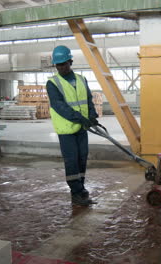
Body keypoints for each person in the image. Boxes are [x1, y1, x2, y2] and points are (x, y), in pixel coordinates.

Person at [46, 45, 99, 206]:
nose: (61, 67)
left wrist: (92, 115)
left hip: (82, 129)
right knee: (72, 161)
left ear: (70, 61)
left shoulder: (82, 79)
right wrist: (80, 118)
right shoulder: (52, 83)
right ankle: (75, 193)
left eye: (64, 63)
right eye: (58, 65)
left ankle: (81, 188)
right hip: (66, 130)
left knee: (82, 159)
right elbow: (59, 106)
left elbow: (88, 100)